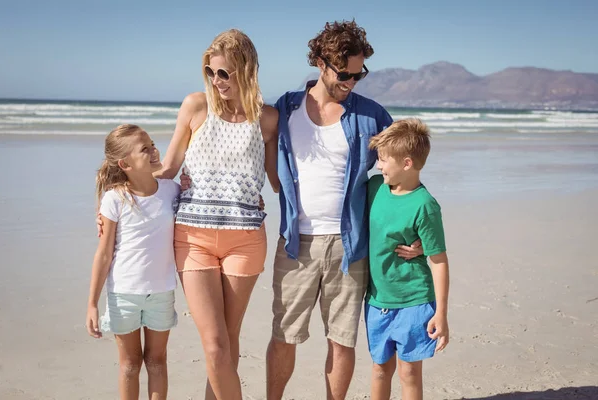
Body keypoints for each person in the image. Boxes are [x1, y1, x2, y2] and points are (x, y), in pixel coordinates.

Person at [266, 20, 422, 400]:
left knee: (341, 339)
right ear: (320, 62)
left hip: (349, 246)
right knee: (284, 335)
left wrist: (417, 226)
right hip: (295, 244)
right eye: (345, 74)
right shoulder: (284, 109)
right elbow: (241, 142)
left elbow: (406, 163)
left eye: (358, 74)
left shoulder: (371, 116)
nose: (351, 82)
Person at [156, 29, 279, 400]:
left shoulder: (267, 118)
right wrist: (121, 195)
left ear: (246, 68)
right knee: (214, 345)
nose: (216, 81)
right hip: (193, 238)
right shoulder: (196, 106)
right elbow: (168, 168)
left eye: (224, 73)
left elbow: (277, 181)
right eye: (211, 73)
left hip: (245, 240)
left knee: (228, 339)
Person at [86, 124, 180, 400]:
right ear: (124, 163)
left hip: (161, 291)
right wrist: (92, 303)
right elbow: (104, 254)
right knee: (129, 364)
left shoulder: (171, 191)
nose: (153, 151)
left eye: (152, 144)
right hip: (123, 293)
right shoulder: (115, 199)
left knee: (157, 361)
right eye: (144, 149)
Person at [365, 118, 450, 400]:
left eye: (383, 160)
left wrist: (441, 313)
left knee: (409, 373)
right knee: (379, 370)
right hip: (377, 301)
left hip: (414, 299)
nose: (378, 166)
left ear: (407, 163)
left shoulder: (425, 205)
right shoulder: (374, 188)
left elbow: (439, 260)